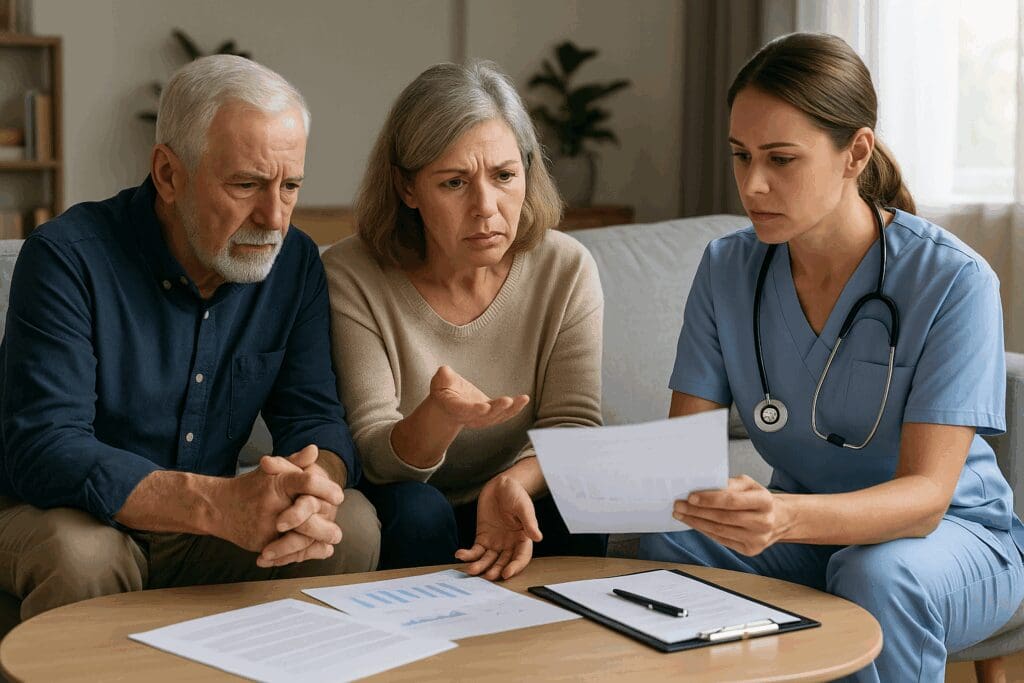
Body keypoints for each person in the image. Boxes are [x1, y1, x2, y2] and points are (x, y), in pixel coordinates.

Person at [639, 33, 1024, 682]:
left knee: (874, 570)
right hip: (812, 534)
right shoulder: (726, 267)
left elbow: (928, 498)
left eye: (781, 159)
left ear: (856, 153)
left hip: (951, 542)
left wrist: (786, 515)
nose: (752, 183)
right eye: (741, 156)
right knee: (671, 541)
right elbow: (684, 457)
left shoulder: (954, 280)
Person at [0, 55, 380, 621]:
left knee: (348, 526)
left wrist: (311, 488)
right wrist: (215, 504)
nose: (274, 217)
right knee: (82, 556)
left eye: (291, 185)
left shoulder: (293, 262)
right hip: (61, 512)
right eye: (246, 184)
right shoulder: (65, 257)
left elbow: (315, 417)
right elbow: (47, 449)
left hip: (204, 525)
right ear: (168, 175)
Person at [323, 61, 606, 580]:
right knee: (418, 512)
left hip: (515, 489)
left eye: (504, 176)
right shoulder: (351, 274)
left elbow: (574, 427)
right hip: (409, 499)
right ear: (407, 189)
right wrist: (442, 417)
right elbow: (373, 451)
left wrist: (514, 483)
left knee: (578, 495)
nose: (486, 207)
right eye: (454, 182)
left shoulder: (565, 268)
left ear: (527, 170)